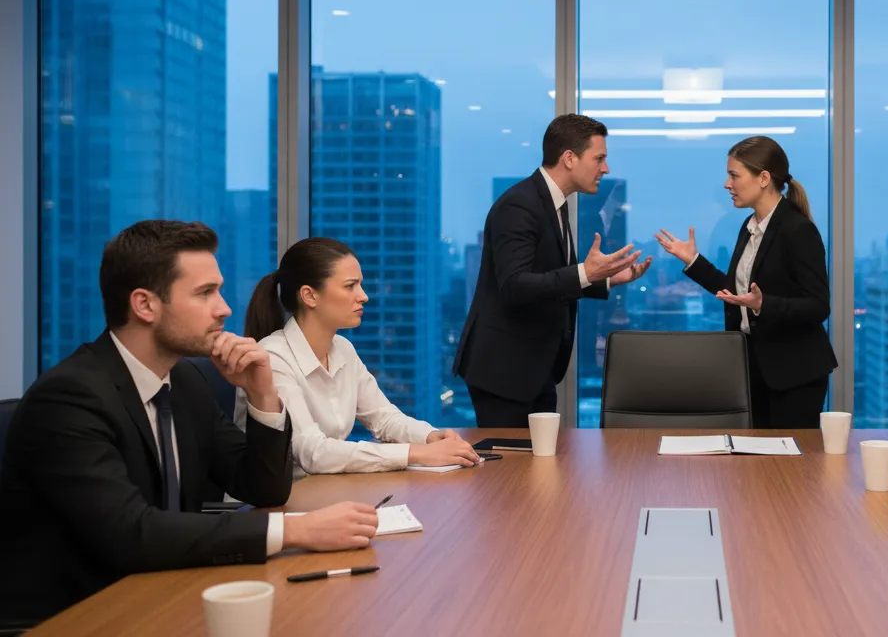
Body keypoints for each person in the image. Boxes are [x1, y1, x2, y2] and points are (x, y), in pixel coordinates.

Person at [0, 221, 382, 626]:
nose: (225, 308)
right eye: (205, 293)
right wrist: (296, 531)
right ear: (145, 305)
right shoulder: (69, 398)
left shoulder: (183, 382)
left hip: (161, 594)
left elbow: (262, 487)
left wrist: (263, 395)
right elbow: (131, 534)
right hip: (80, 616)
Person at [454, 114, 652, 427]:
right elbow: (514, 286)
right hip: (505, 372)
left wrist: (606, 279)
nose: (606, 169)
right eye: (599, 158)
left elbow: (550, 280)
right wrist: (585, 273)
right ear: (569, 158)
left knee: (538, 471)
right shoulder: (519, 205)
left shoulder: (554, 204)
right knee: (509, 473)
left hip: (535, 369)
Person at [242, 237, 480, 478]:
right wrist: (416, 454)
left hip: (324, 491)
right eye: (350, 286)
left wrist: (431, 437)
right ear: (309, 296)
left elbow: (384, 419)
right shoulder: (273, 357)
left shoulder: (342, 349)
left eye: (361, 285)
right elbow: (312, 452)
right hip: (277, 506)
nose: (364, 296)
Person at [656, 136, 837, 428]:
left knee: (785, 470)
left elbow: (818, 306)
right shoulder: (750, 226)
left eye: (734, 175)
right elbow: (737, 292)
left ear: (763, 178)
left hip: (793, 375)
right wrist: (693, 261)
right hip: (753, 368)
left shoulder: (797, 230)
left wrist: (765, 304)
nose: (727, 184)